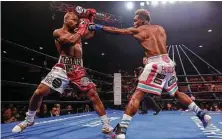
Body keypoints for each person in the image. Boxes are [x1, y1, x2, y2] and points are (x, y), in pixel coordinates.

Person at [89, 9, 211, 138]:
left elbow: (117, 31)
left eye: (136, 20)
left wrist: (98, 27)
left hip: (155, 62)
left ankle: (122, 130)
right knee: (176, 93)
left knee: (137, 95)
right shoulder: (160, 28)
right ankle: (202, 114)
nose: (134, 22)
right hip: (168, 62)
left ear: (142, 20)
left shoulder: (139, 30)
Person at [12, 10, 113, 134]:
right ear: (66, 20)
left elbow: (90, 34)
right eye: (74, 20)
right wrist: (81, 28)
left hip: (79, 70)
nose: (76, 23)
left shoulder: (77, 32)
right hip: (62, 68)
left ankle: (106, 124)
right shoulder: (58, 32)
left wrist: (91, 19)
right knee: (39, 92)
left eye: (77, 21)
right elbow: (69, 41)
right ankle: (29, 119)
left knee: (93, 94)